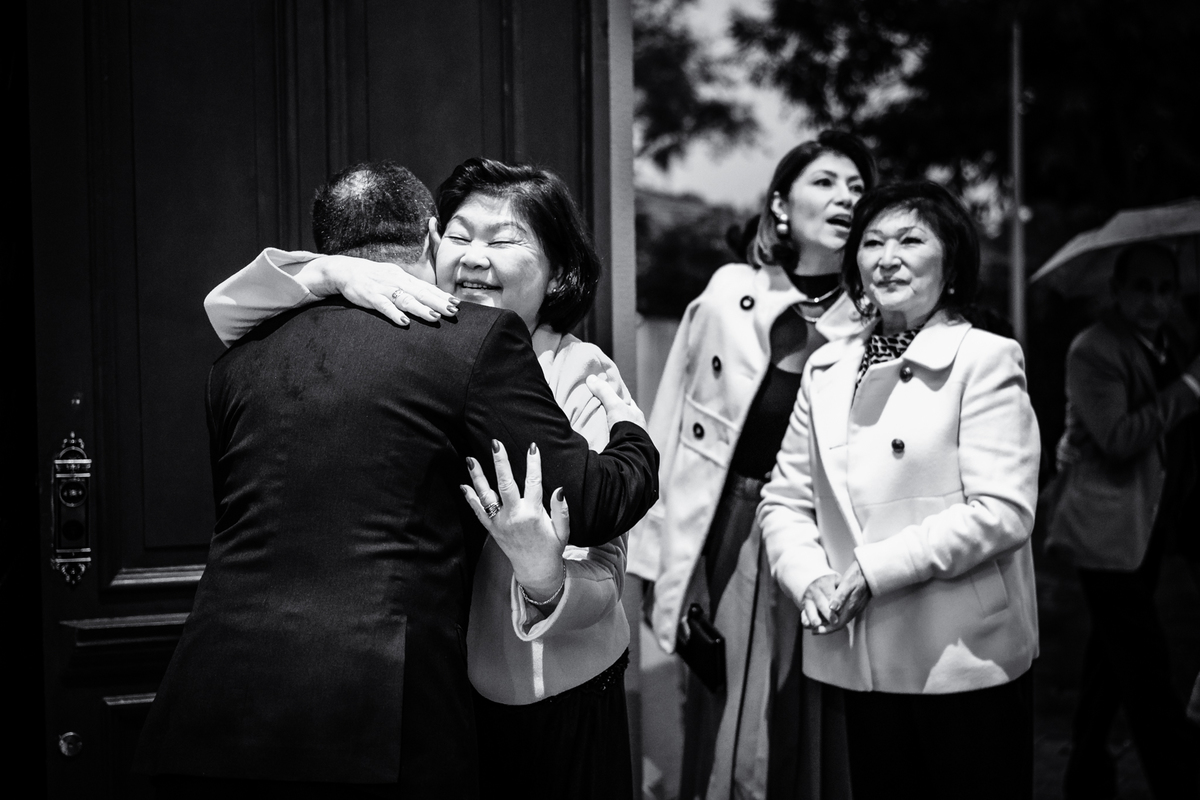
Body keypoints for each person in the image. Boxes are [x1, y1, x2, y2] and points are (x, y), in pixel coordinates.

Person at [134, 160, 658, 798]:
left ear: (558, 272)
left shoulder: (238, 358)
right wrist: (327, 274)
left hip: (538, 697)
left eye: (505, 240)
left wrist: (551, 568)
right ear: (433, 241)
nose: (475, 258)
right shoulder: (458, 342)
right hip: (388, 706)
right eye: (462, 237)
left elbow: (602, 542)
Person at [756, 180, 1041, 799]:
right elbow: (785, 498)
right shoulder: (826, 367)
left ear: (952, 261)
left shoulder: (986, 359)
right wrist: (811, 580)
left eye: (911, 239)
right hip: (867, 664)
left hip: (966, 661)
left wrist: (870, 571)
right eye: (872, 242)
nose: (887, 257)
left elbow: (1003, 512)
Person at [627, 131, 875, 799]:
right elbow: (672, 426)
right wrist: (653, 563)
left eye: (857, 188)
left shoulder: (877, 317)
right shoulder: (728, 294)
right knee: (729, 696)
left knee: (820, 708)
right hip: (732, 527)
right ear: (782, 205)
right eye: (825, 182)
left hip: (834, 537)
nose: (845, 198)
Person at [1047, 242, 1200, 799]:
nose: (1154, 302)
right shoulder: (1093, 349)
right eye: (1142, 288)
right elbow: (1118, 439)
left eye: (1165, 289)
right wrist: (1188, 391)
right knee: (1146, 667)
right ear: (1116, 291)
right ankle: (1179, 782)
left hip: (1151, 523)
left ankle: (1086, 774)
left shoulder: (1173, 344)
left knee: (1109, 664)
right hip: (1105, 528)